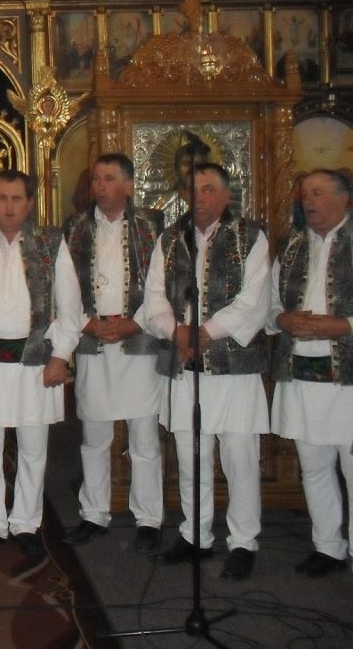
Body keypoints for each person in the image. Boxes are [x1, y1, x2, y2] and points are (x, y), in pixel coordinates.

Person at [143, 163, 269, 581]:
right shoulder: (170, 239)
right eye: (193, 190)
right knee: (189, 454)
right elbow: (154, 298)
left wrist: (206, 332)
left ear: (227, 195)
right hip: (184, 363)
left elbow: (254, 300)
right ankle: (195, 534)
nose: (200, 197)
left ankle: (243, 541)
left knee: (239, 456)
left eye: (209, 189)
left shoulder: (250, 236)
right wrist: (176, 330)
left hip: (233, 367)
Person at [0, 170, 78, 558]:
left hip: (35, 361)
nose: (9, 206)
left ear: (29, 203)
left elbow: (71, 306)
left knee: (33, 448)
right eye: (2, 198)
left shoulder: (50, 243)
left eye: (17, 199)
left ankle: (26, 522)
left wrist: (61, 355)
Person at [61, 155, 165, 554]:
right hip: (93, 340)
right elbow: (63, 288)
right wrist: (86, 324)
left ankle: (149, 518)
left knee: (143, 436)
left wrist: (135, 324)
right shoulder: (75, 228)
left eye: (109, 178)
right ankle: (94, 513)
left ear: (129, 184)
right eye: (96, 179)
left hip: (138, 340)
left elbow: (163, 285)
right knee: (94, 435)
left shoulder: (151, 227)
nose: (100, 186)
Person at [269, 169, 353, 577]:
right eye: (305, 194)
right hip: (301, 370)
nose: (309, 201)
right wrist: (283, 319)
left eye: (318, 193)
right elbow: (270, 306)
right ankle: (328, 547)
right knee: (314, 464)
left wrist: (345, 325)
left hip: (347, 375)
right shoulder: (291, 244)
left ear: (345, 199)